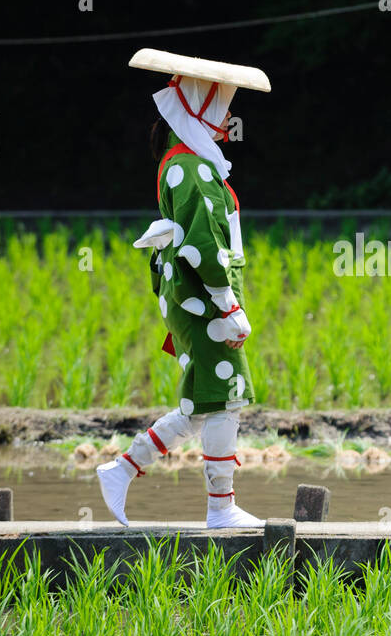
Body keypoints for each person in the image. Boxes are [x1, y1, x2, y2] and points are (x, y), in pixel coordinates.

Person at [97, 49, 270, 529]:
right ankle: (220, 508)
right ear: (198, 107)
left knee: (202, 404)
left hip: (195, 296)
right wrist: (228, 304)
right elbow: (201, 246)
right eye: (222, 106)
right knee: (228, 395)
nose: (229, 117)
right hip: (203, 297)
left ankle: (121, 469)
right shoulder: (190, 167)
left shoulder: (190, 160)